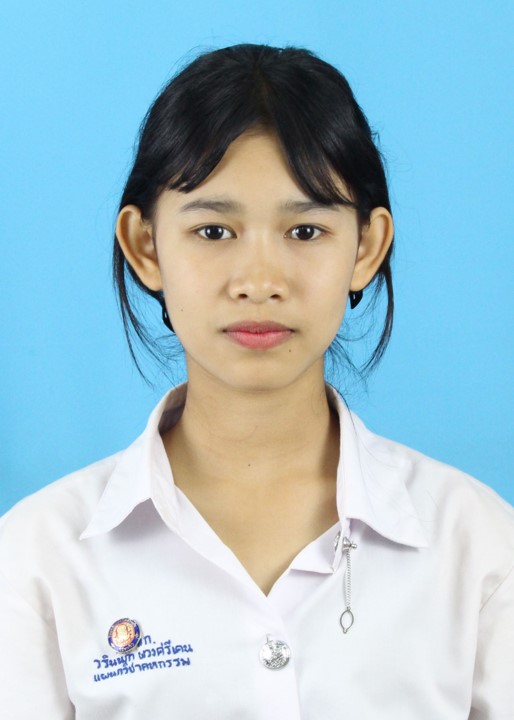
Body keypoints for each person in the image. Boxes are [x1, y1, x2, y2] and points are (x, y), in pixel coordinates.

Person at [1, 43, 513, 720]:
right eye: (214, 231)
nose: (260, 282)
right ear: (146, 246)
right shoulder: (36, 556)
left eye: (306, 230)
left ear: (366, 247)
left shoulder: (479, 544)